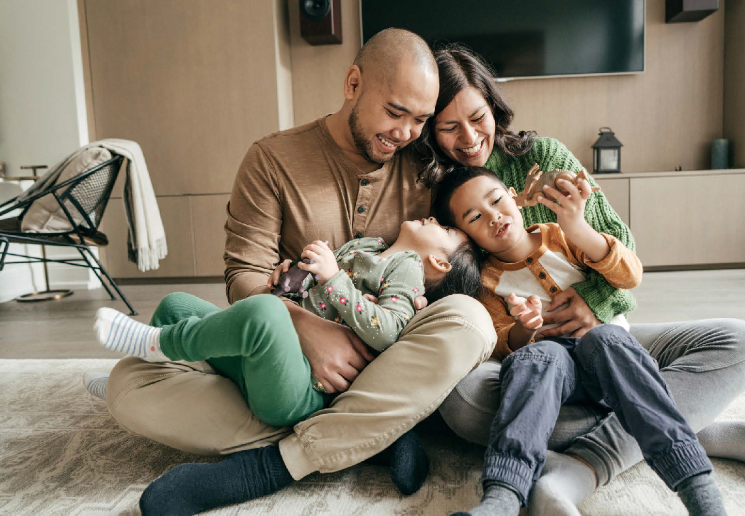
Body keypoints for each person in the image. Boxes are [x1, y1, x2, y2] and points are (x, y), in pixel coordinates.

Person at [84, 30, 497, 516]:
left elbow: (479, 234)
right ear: (352, 83)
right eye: (394, 112)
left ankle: (279, 462)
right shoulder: (272, 160)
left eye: (421, 120)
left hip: (378, 364)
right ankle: (377, 435)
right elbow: (243, 276)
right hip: (286, 361)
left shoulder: (427, 168)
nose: (407, 133)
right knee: (132, 381)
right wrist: (306, 328)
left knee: (470, 321)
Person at [413, 44, 745, 515]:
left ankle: (580, 468)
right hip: (538, 357)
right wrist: (523, 329)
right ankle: (693, 428)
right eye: (449, 127)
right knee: (465, 402)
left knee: (742, 343)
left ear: (494, 105)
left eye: (479, 117)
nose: (469, 137)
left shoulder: (543, 168)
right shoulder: (431, 192)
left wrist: (590, 297)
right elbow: (480, 311)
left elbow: (623, 252)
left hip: (606, 337)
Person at [434, 166, 726, 516]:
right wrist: (524, 328)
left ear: (513, 196)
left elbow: (629, 274)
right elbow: (499, 341)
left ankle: (700, 492)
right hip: (557, 379)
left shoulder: (560, 236)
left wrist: (579, 227)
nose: (494, 217)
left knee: (606, 339)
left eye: (496, 201)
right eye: (476, 217)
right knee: (536, 357)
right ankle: (501, 501)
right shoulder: (486, 282)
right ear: (467, 236)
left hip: (610, 360)